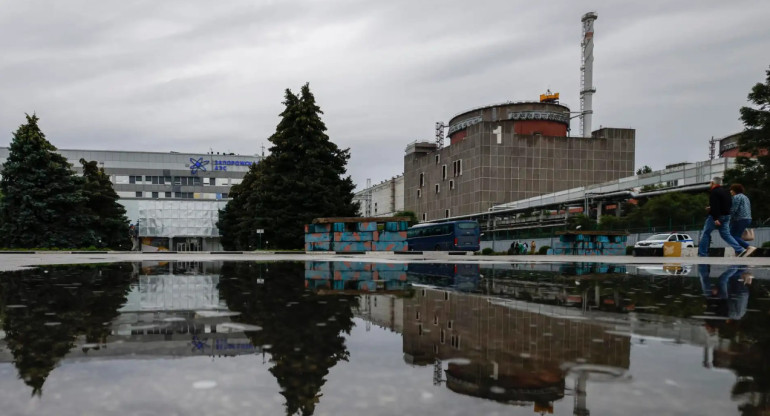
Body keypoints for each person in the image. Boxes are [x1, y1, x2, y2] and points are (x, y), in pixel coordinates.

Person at [698, 177, 745, 257]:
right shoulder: (726, 191)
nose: (710, 185)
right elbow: (728, 204)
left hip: (716, 216)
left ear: (713, 183)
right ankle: (740, 249)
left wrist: (715, 218)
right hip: (726, 216)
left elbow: (715, 206)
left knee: (705, 233)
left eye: (710, 183)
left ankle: (702, 253)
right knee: (726, 234)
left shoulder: (714, 192)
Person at [729, 184, 757, 257]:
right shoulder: (745, 197)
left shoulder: (736, 197)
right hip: (747, 218)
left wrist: (728, 218)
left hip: (739, 219)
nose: (730, 191)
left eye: (731, 190)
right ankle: (738, 253)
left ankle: (748, 247)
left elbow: (734, 209)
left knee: (731, 236)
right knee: (737, 236)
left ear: (735, 190)